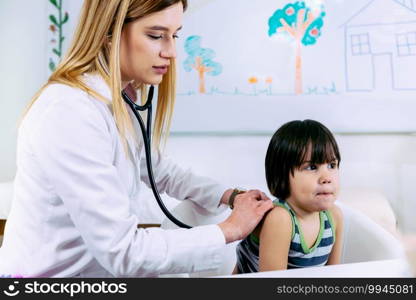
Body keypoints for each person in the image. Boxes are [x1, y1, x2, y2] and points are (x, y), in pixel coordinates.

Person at [0, 0, 273, 277]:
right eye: (156, 36)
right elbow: (124, 251)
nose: (172, 52)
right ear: (108, 34)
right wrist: (230, 230)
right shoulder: (69, 112)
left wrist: (230, 196)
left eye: (174, 35)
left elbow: (160, 171)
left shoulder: (118, 102)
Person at [233, 119, 344, 274]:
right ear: (282, 176)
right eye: (311, 167)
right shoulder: (280, 219)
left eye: (332, 165)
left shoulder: (334, 216)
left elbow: (332, 276)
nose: (326, 177)